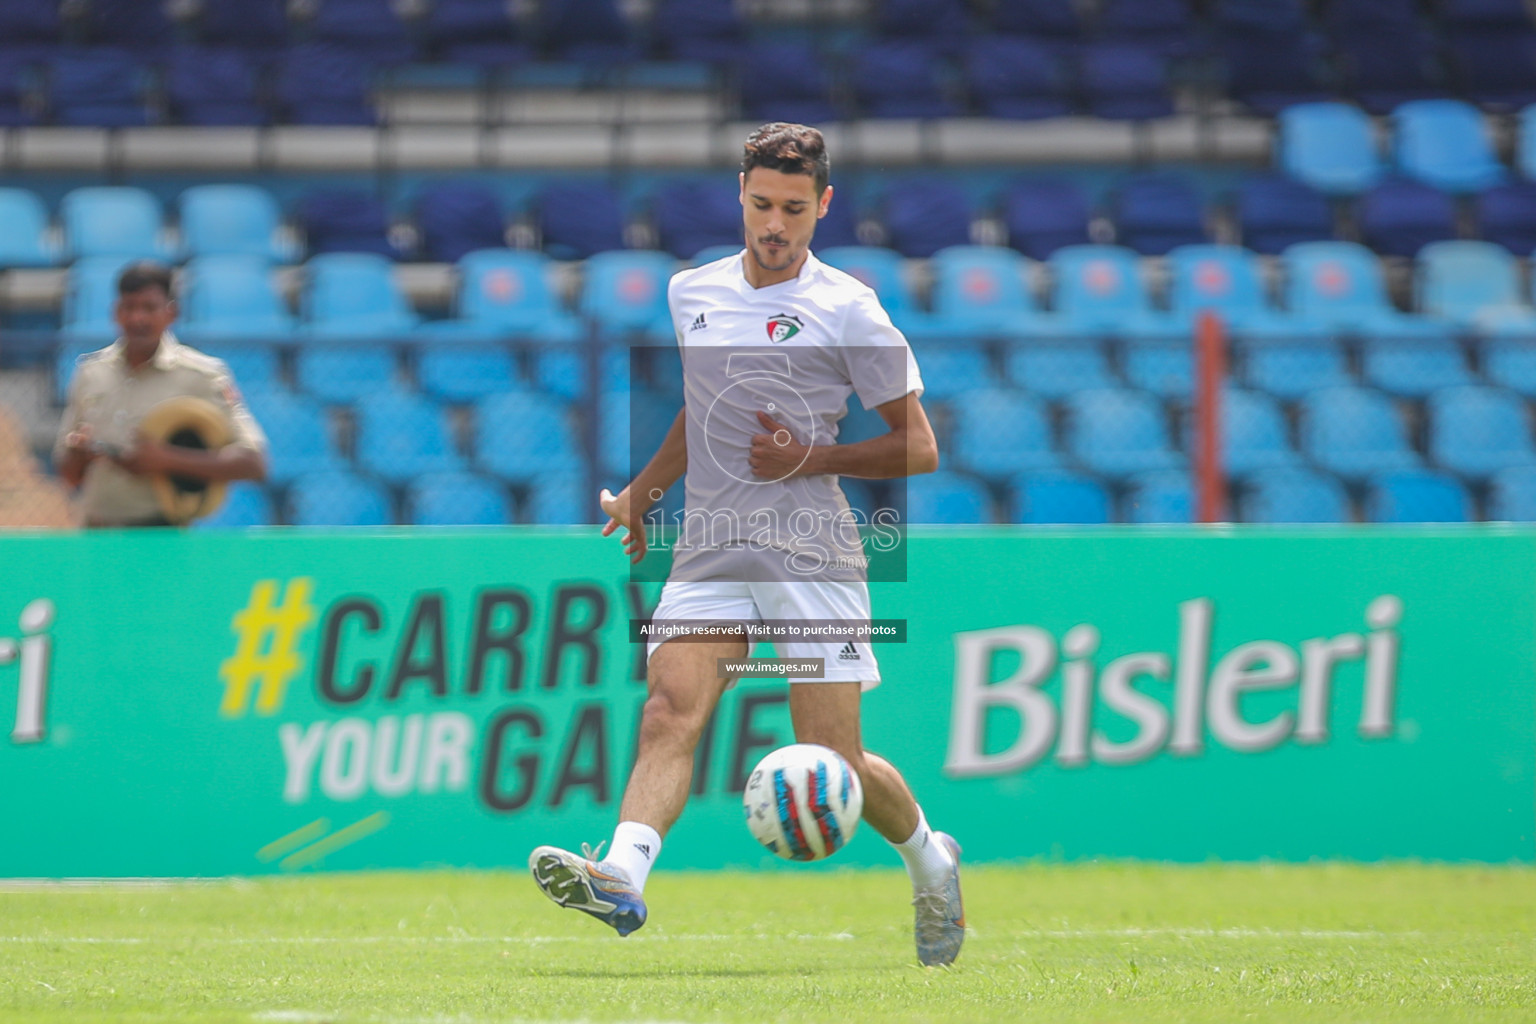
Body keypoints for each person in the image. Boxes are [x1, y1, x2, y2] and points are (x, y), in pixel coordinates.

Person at [530, 123, 965, 967]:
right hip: (713, 543)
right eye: (763, 204)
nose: (776, 223)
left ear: (823, 206)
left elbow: (920, 447)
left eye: (795, 209)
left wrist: (813, 457)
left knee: (834, 757)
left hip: (812, 548)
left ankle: (929, 857)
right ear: (741, 193)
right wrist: (644, 496)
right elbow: (705, 409)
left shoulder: (849, 308)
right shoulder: (692, 290)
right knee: (669, 710)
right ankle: (622, 874)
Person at [54, 261, 268, 527]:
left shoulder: (201, 375)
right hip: (98, 533)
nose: (137, 318)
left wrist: (166, 460)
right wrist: (79, 454)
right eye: (129, 307)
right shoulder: (91, 373)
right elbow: (67, 473)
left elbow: (253, 463)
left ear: (171, 313)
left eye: (149, 308)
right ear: (116, 312)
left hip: (163, 533)